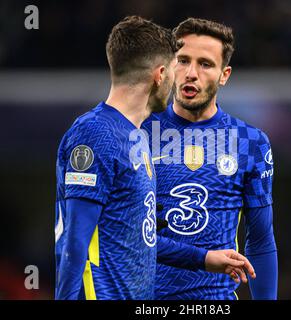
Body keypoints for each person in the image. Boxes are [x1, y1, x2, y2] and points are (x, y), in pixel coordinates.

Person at [55, 16, 255, 300]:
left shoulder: (135, 138)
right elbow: (74, 244)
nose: (182, 78)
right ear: (160, 75)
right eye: (177, 67)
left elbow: (141, 238)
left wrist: (204, 258)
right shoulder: (95, 133)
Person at [142, 18, 277, 300]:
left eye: (205, 64)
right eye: (182, 60)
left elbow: (261, 241)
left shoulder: (250, 142)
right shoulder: (138, 133)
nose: (191, 73)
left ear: (224, 75)